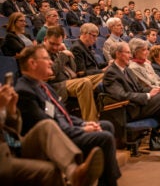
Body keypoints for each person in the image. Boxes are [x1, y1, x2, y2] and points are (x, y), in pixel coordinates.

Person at [15, 45, 121, 186]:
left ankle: (105, 181)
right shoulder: (24, 92)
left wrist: (84, 124)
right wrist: (81, 130)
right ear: (32, 63)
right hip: (55, 140)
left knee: (106, 126)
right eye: (46, 58)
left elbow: (62, 114)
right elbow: (48, 127)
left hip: (66, 130)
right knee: (104, 137)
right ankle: (109, 182)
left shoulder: (43, 86)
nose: (51, 62)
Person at [0, 84, 104, 186]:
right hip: (3, 157)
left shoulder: (44, 87)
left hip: (14, 145)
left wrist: (11, 111)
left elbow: (12, 132)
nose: (51, 65)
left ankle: (75, 172)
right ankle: (76, 177)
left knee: (47, 125)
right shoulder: (25, 89)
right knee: (51, 170)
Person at [44, 25, 101, 121]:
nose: (55, 47)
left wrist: (67, 54)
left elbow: (73, 68)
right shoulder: (41, 52)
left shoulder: (59, 50)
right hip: (58, 85)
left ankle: (111, 109)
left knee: (106, 76)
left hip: (72, 80)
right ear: (45, 39)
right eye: (52, 44)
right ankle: (91, 122)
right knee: (84, 83)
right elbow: (51, 73)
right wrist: (62, 55)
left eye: (58, 44)